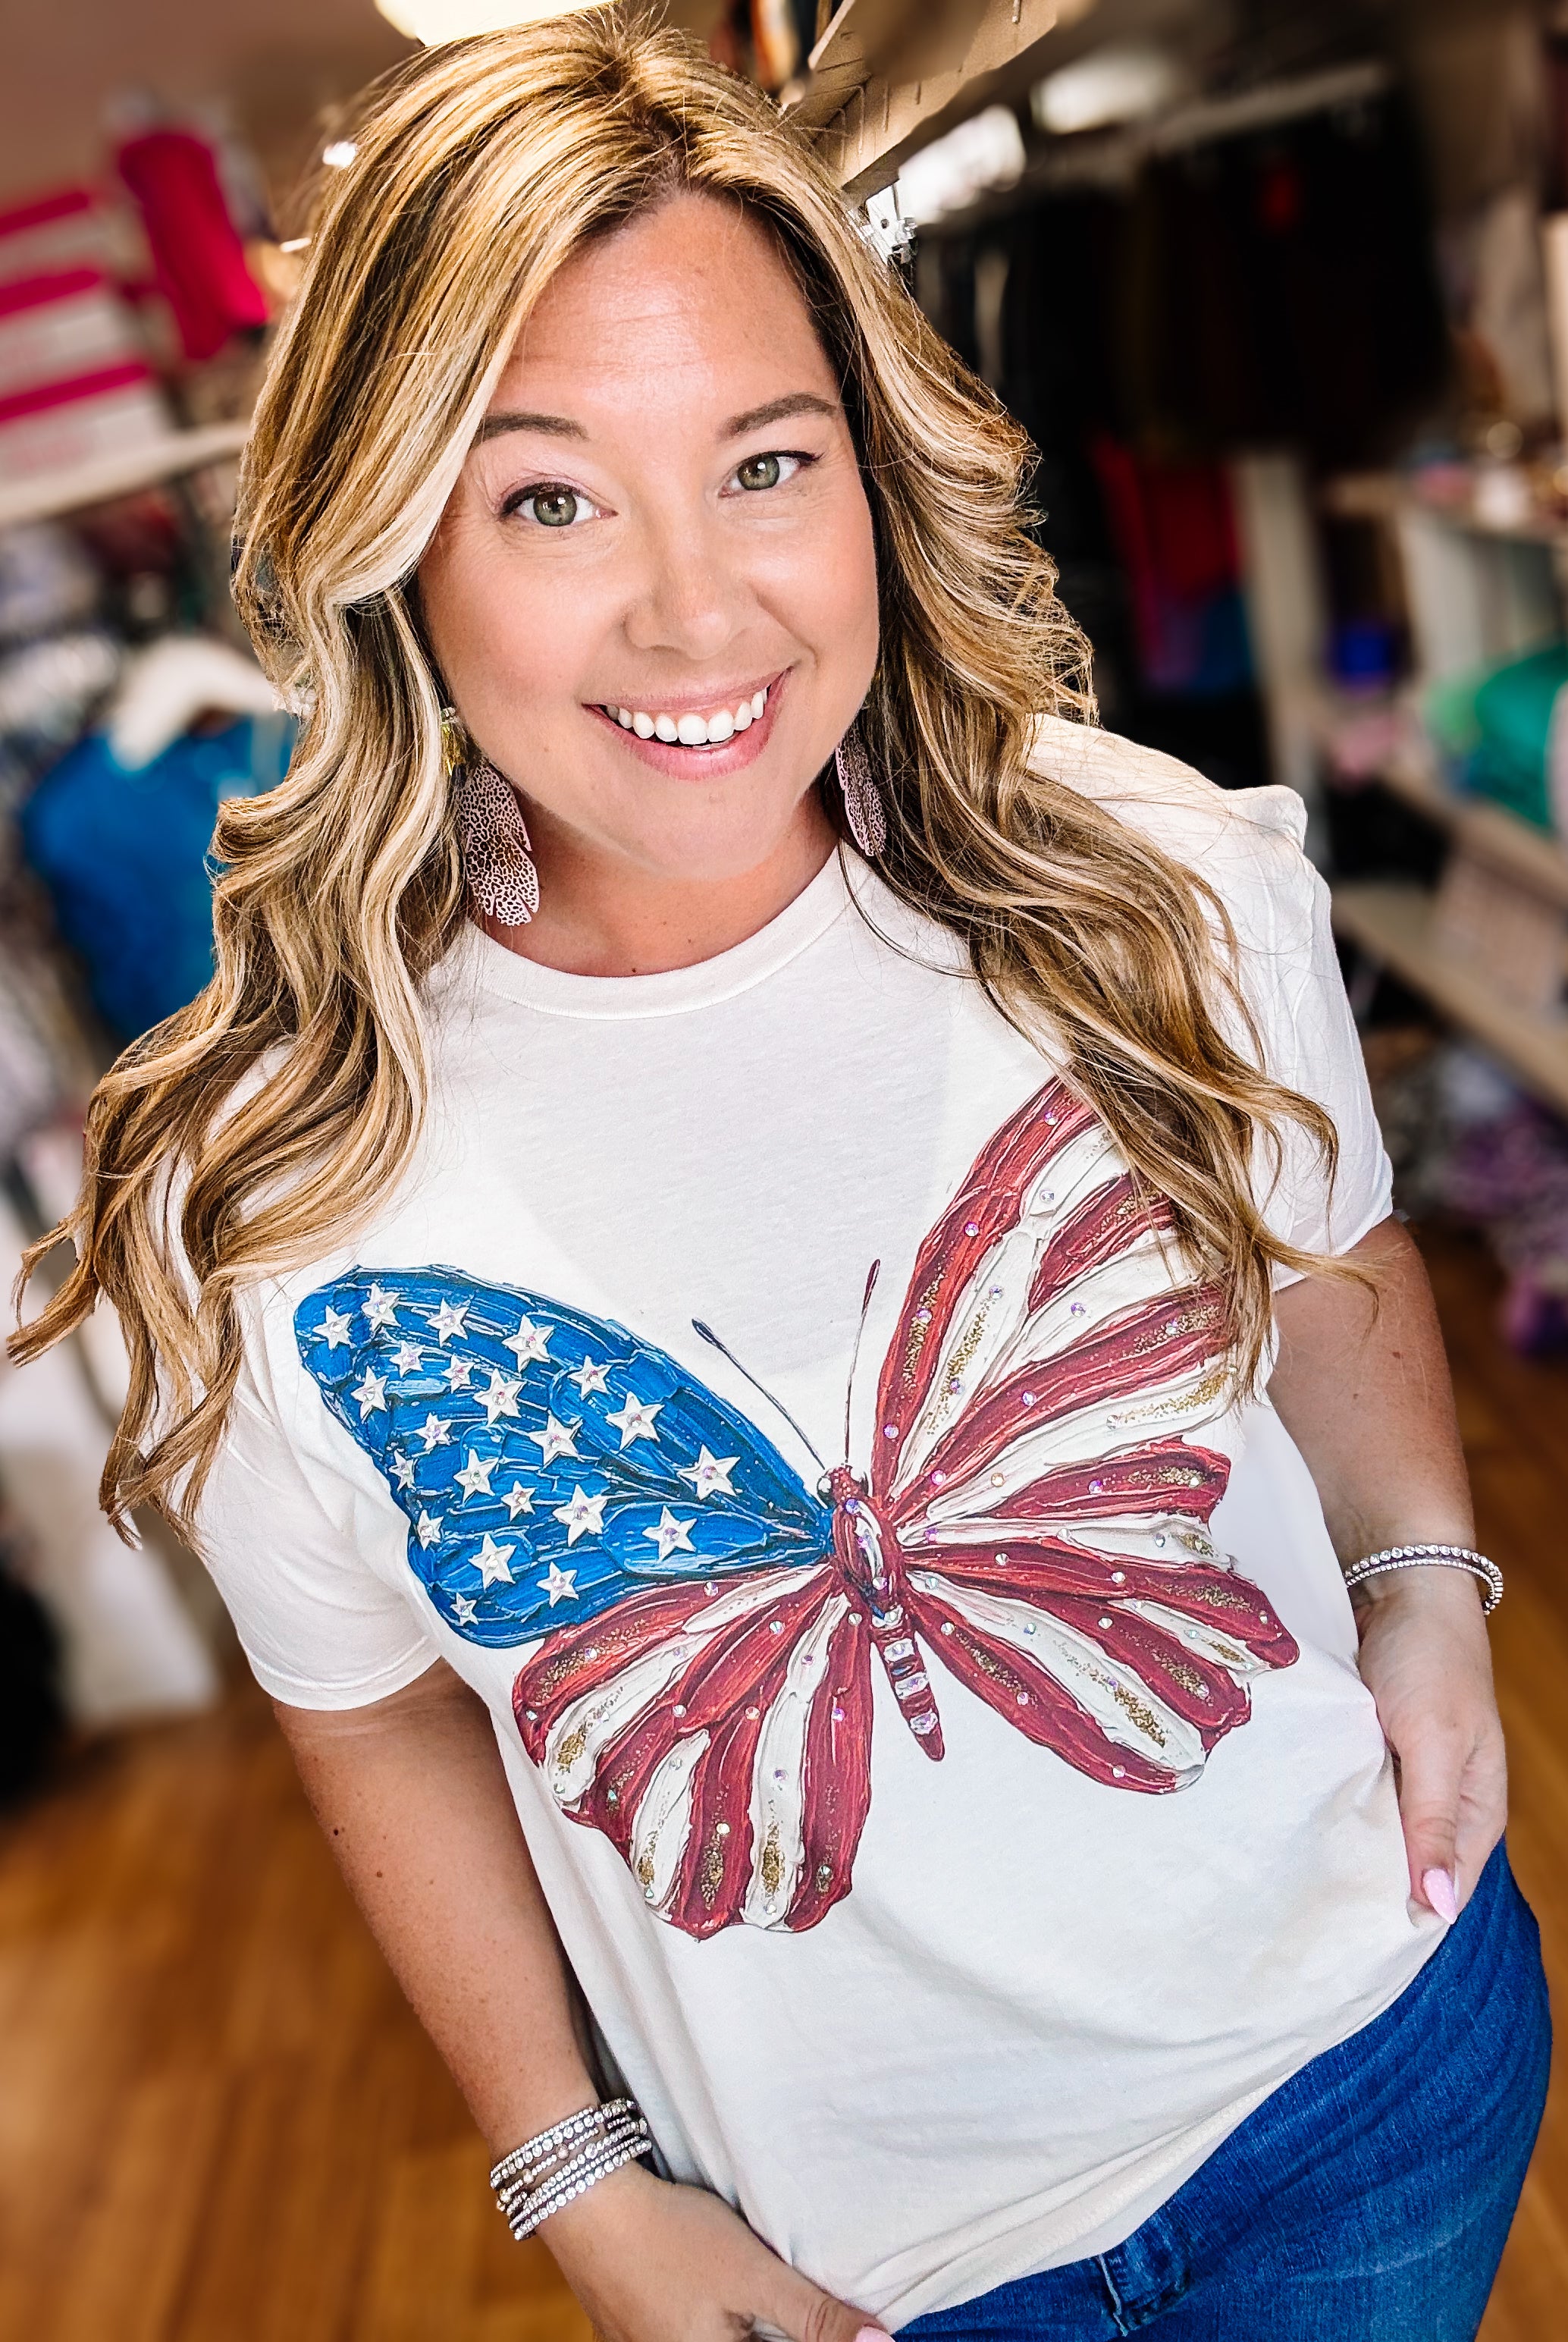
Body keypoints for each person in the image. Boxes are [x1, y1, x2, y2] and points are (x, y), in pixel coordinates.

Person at [14, 17, 1548, 2340]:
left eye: (762, 462)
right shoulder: (281, 1190)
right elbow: (373, 1710)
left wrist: (1421, 1573)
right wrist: (570, 2176)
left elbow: (1319, 1246)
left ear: (871, 472)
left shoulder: (1148, 878)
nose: (698, 613)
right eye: (547, 497)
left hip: (1369, 2072)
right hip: (876, 2279)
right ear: (389, 542)